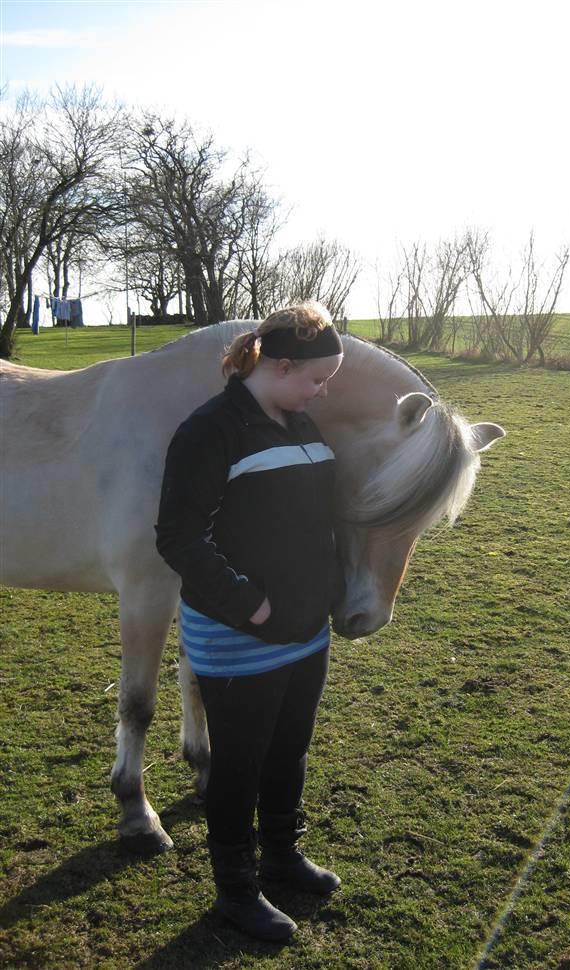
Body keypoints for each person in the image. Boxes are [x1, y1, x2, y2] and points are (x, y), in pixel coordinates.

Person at [155, 302, 344, 941]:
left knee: (288, 753)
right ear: (281, 364)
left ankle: (282, 856)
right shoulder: (211, 429)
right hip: (239, 636)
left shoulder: (299, 421)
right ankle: (237, 892)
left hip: (306, 630)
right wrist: (249, 604)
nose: (324, 392)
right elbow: (178, 537)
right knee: (237, 765)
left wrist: (331, 590)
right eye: (318, 379)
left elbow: (316, 519)